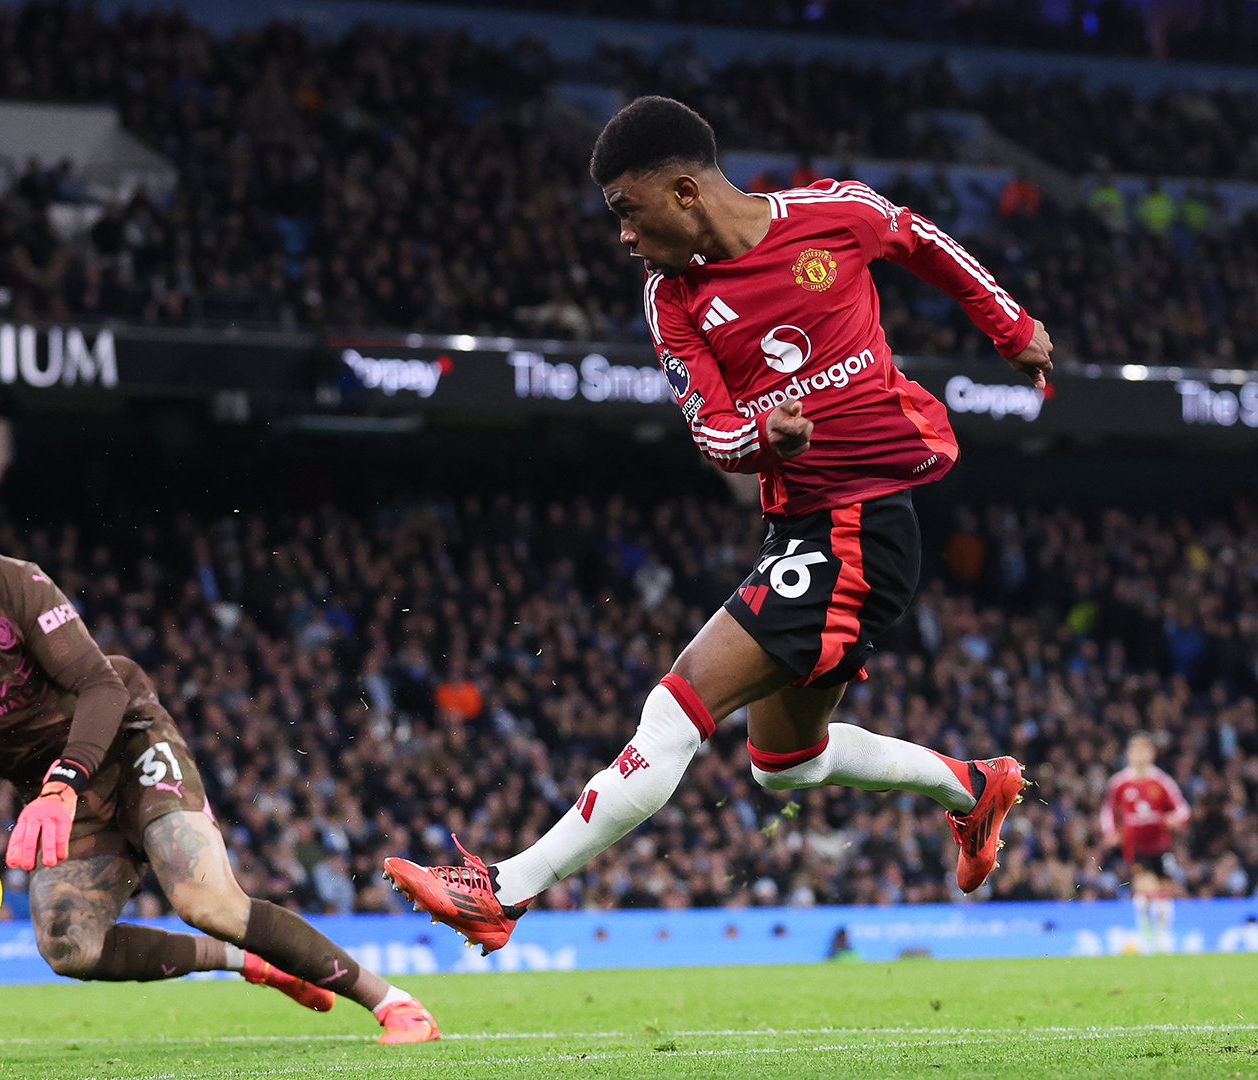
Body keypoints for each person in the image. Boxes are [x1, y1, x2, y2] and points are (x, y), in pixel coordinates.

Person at [384, 96, 1053, 953]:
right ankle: (973, 788)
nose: (622, 235)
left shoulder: (833, 216)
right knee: (787, 764)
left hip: (857, 528)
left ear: (687, 191)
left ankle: (503, 889)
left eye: (628, 210)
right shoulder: (673, 298)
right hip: (804, 530)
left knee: (675, 710)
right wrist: (758, 436)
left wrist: (1012, 326)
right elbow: (711, 427)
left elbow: (924, 242)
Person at [0, 469, 438, 1043]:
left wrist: (62, 783)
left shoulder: (14, 583)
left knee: (205, 901)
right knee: (69, 948)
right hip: (61, 794)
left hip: (125, 736)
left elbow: (101, 686)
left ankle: (393, 1003)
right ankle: (246, 960)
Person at [1101, 732, 1190, 951]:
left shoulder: (1161, 781)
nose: (1139, 756)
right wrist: (1111, 832)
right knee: (1144, 887)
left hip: (1161, 844)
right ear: (1129, 754)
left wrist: (1175, 819)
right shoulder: (1120, 783)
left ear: (1151, 754)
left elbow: (1182, 809)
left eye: (1144, 751)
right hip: (1136, 846)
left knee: (1163, 891)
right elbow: (1108, 812)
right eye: (1135, 751)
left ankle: (1161, 935)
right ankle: (1146, 932)